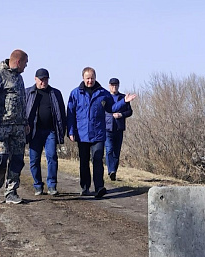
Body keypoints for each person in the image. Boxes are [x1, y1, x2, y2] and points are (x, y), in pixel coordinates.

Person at [67, 67, 136, 198]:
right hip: (81, 134)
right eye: (87, 78)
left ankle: (99, 187)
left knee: (98, 158)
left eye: (92, 78)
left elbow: (111, 108)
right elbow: (70, 114)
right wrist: (71, 131)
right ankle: (85, 187)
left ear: (95, 78)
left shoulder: (103, 93)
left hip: (98, 133)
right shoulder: (75, 93)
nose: (90, 81)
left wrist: (124, 102)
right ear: (83, 78)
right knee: (84, 161)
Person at [0, 49, 29, 204]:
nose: (26, 67)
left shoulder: (19, 78)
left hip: (18, 128)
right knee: (1, 158)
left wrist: (25, 122)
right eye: (25, 63)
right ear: (18, 61)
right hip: (2, 126)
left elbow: (22, 103)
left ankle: (11, 192)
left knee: (17, 160)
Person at [25, 68, 66, 196]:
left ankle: (52, 185)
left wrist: (62, 129)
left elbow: (61, 114)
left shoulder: (55, 93)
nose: (43, 82)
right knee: (34, 160)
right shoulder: (28, 93)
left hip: (50, 131)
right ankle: (38, 185)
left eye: (45, 79)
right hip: (34, 132)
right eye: (41, 79)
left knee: (52, 156)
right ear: (35, 79)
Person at [104, 77, 133, 181]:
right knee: (109, 150)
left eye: (116, 85)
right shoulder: (105, 97)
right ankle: (110, 170)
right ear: (109, 86)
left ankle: (114, 172)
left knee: (116, 152)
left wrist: (121, 114)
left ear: (118, 86)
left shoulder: (123, 98)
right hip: (107, 128)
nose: (114, 87)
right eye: (112, 85)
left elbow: (129, 112)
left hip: (119, 128)